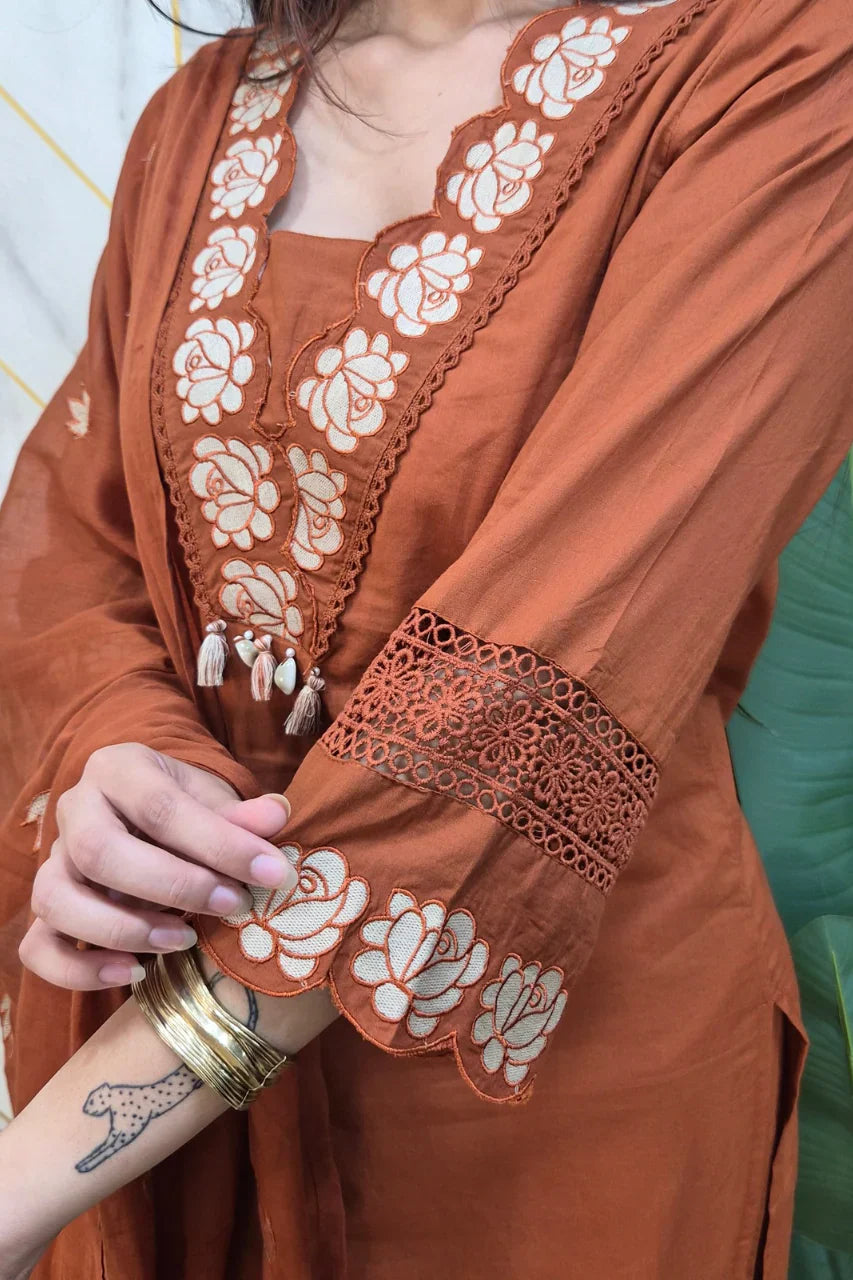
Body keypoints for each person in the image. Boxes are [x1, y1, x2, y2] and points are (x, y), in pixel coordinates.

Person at [0, 0, 851, 1274]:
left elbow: (535, 698)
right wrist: (127, 760)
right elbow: (81, 547)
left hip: (549, 1097)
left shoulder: (781, 67)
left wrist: (24, 1180)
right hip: (159, 1035)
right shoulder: (203, 112)